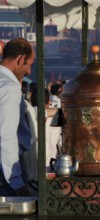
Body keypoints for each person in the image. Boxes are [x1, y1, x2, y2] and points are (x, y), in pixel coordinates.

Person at [0, 38, 36, 196]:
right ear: (20, 59)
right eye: (29, 64)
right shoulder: (9, 88)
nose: (28, 71)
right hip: (8, 174)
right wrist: (16, 182)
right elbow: (7, 135)